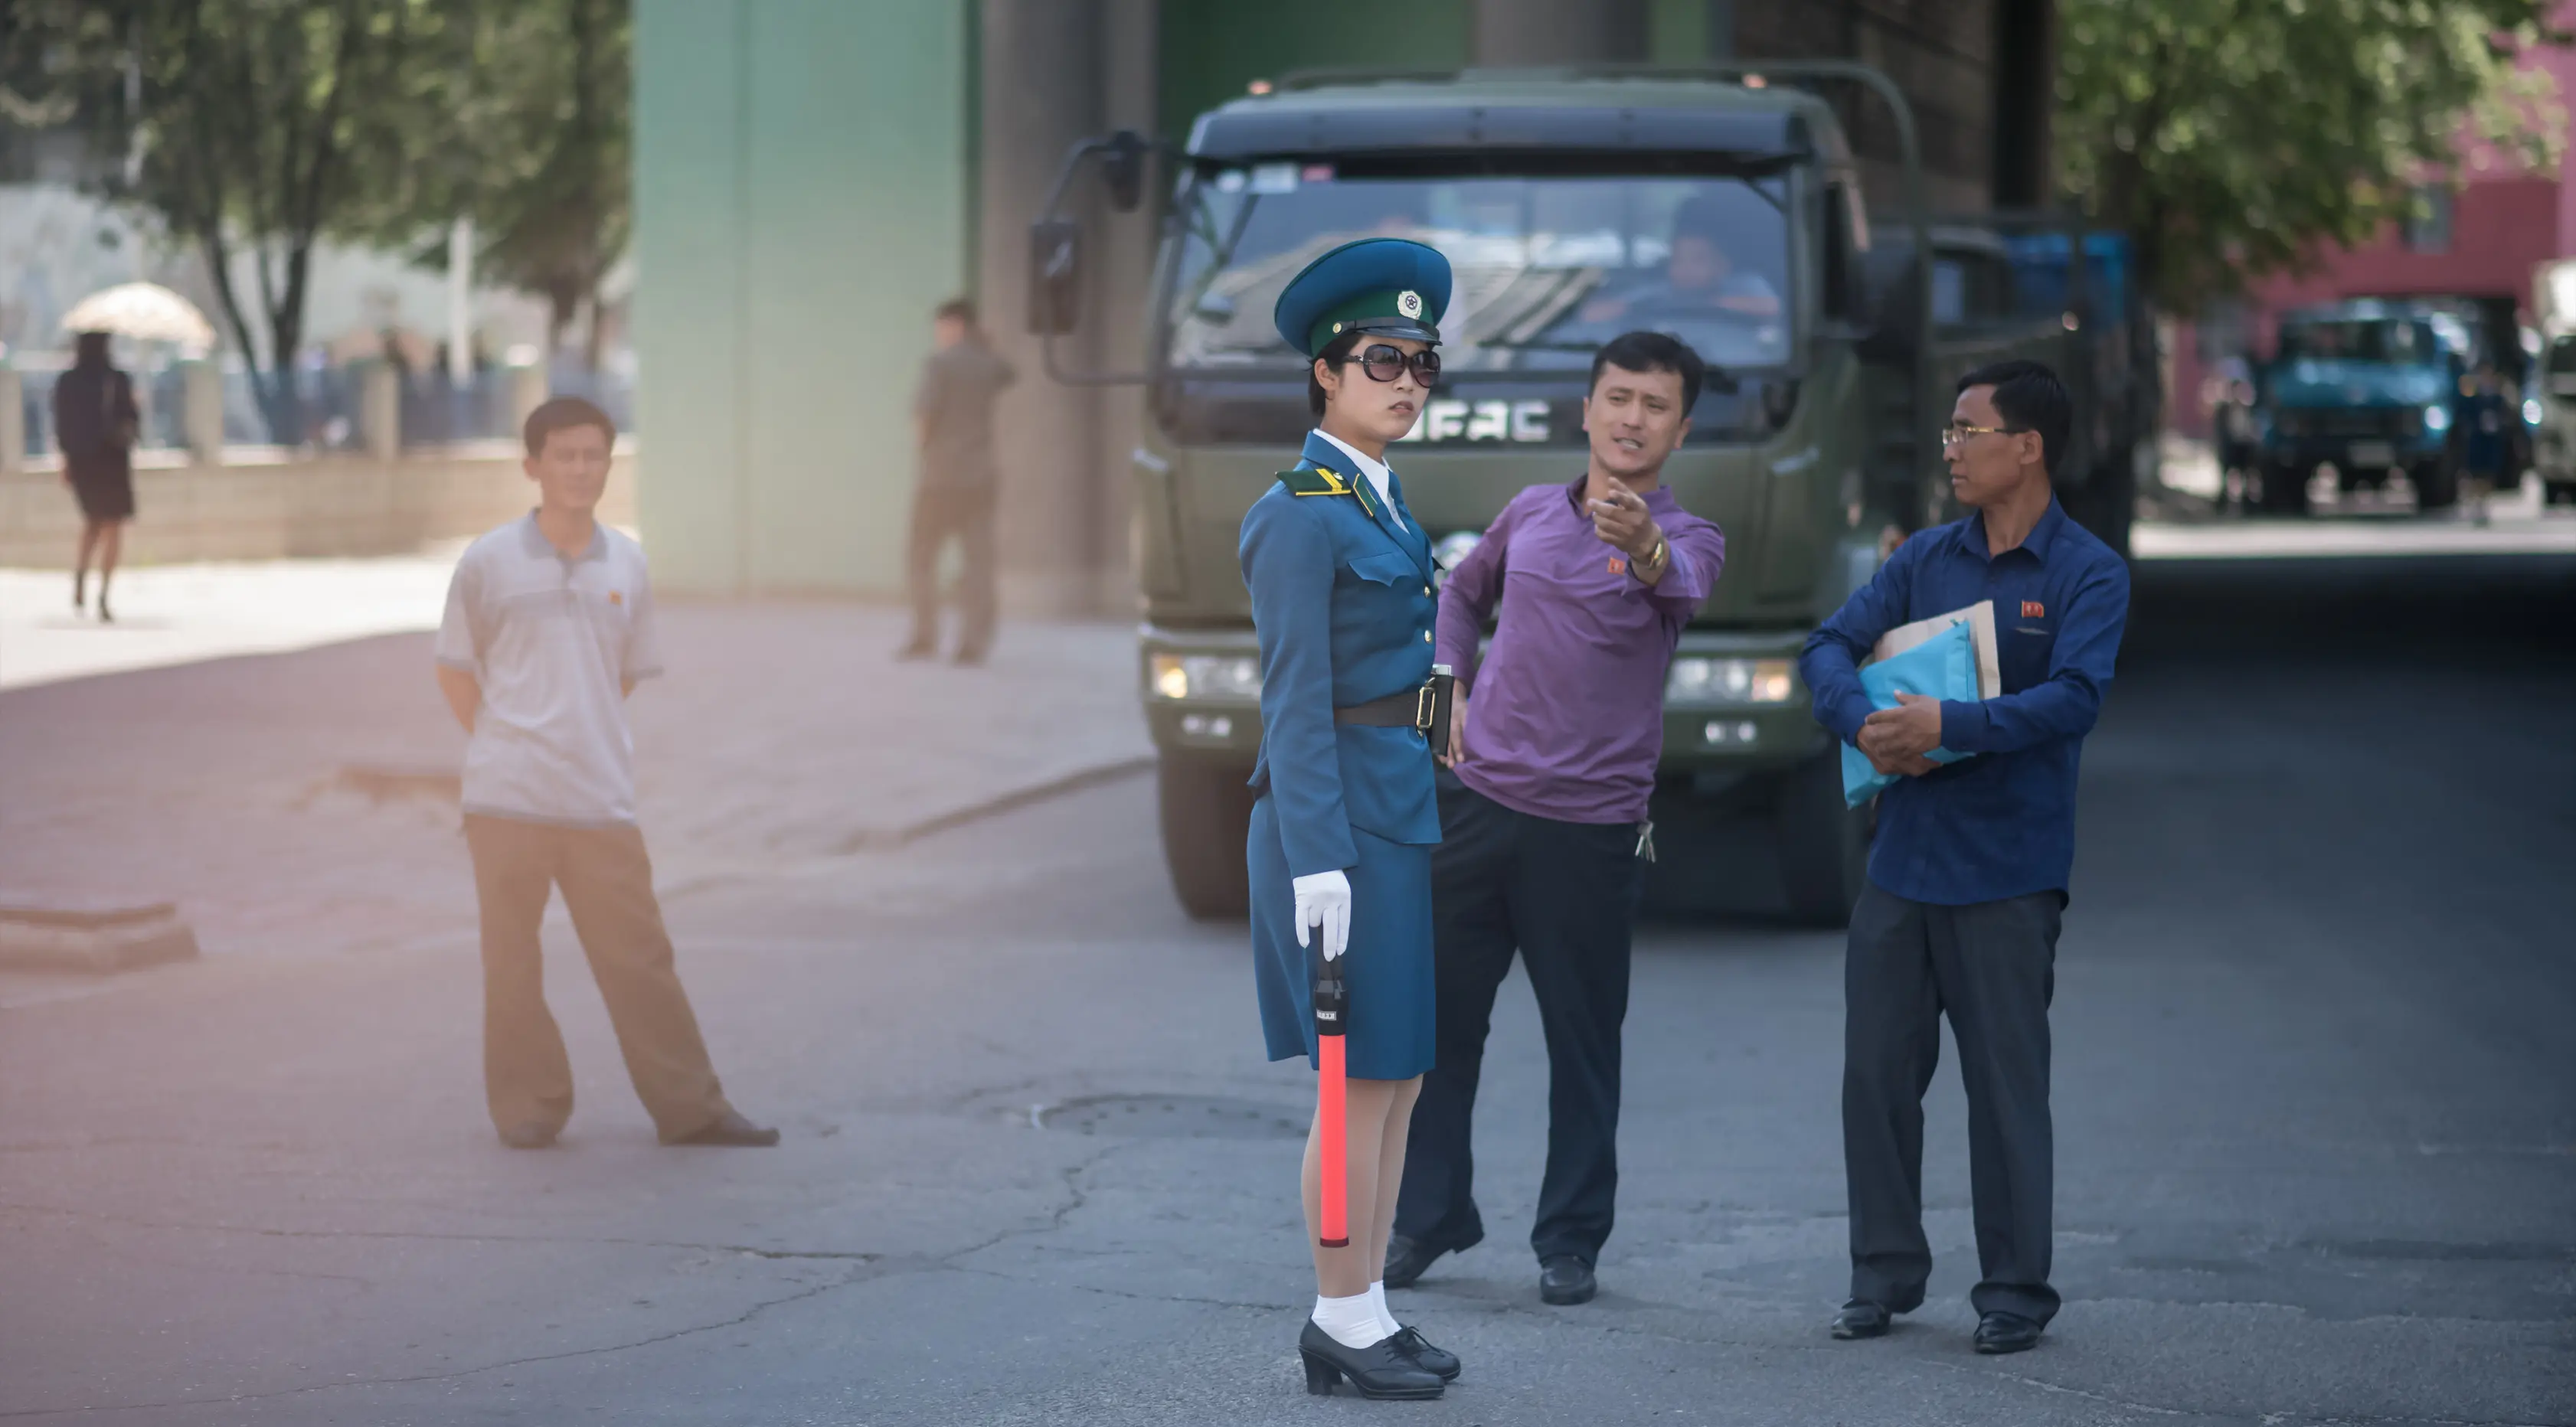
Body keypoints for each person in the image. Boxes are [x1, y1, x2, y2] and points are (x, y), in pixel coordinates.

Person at [1387, 331, 1727, 1308]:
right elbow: (1459, 592)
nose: (1631, 417)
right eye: (1617, 397)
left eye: (1653, 404)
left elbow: (1683, 583)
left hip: (1590, 829)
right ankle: (1430, 1214)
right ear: (1585, 409)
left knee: (1582, 1043)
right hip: (1476, 806)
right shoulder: (1530, 512)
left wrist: (1644, 546)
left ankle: (1570, 1239)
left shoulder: (1689, 538)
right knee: (1439, 1030)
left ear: (1680, 427)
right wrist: (1440, 691)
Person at [1797, 360, 2130, 1357]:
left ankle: (2015, 1292)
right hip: (1902, 863)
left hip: (2010, 870)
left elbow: (2075, 699)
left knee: (2005, 1088)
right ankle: (1882, 1277)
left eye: (1966, 431)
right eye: (1947, 431)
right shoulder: (1923, 559)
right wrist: (1864, 725)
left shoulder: (2089, 572)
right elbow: (1825, 647)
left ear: (2026, 447)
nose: (1949, 448)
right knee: (1877, 1079)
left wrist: (1952, 723)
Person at [434, 397, 778, 1152]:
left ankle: (691, 1108)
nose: (580, 469)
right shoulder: (487, 561)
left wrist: (575, 734)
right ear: (533, 466)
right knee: (512, 962)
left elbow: (620, 676)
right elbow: (455, 672)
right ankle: (530, 1106)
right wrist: (509, 739)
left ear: (608, 464)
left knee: (640, 959)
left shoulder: (628, 562)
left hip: (598, 797)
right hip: (506, 798)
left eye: (594, 455)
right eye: (564, 455)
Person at [1242, 237, 1460, 1400]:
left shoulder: (1380, 498)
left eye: (1425, 363)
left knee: (1398, 1076)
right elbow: (1293, 702)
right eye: (1385, 359)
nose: (1409, 381)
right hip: (1330, 828)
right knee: (1350, 1082)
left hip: (1392, 806)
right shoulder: (1297, 513)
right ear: (1326, 371)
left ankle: (1368, 1307)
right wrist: (1315, 861)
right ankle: (1336, 1314)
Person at [899, 297, 1016, 665]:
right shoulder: (988, 363)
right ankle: (973, 644)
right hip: (980, 476)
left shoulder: (939, 364)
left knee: (921, 557)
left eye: (941, 327)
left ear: (953, 325)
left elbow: (923, 416)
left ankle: (925, 636)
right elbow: (1010, 373)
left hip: (940, 478)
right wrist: (984, 343)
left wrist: (925, 447)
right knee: (978, 561)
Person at [1581, 194, 1782, 325]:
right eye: (1677, 261)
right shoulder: (1659, 292)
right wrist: (1635, 308)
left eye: (1698, 260)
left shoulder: (1743, 283)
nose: (1686, 269)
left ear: (1722, 266)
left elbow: (1772, 308)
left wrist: (1709, 305)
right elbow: (1591, 314)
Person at [52, 331, 140, 622]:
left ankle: (83, 576)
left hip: (84, 461)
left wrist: (66, 460)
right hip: (112, 459)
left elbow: (61, 425)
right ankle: (103, 591)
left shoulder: (69, 381)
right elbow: (132, 420)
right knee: (112, 525)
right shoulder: (117, 379)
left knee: (93, 522)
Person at [2458, 364, 2511, 526]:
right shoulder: (2473, 399)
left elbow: (2506, 417)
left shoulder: (2498, 399)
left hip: (2491, 441)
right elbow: (2464, 417)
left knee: (2488, 475)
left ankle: (2484, 504)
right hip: (2477, 441)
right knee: (2475, 474)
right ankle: (2475, 504)